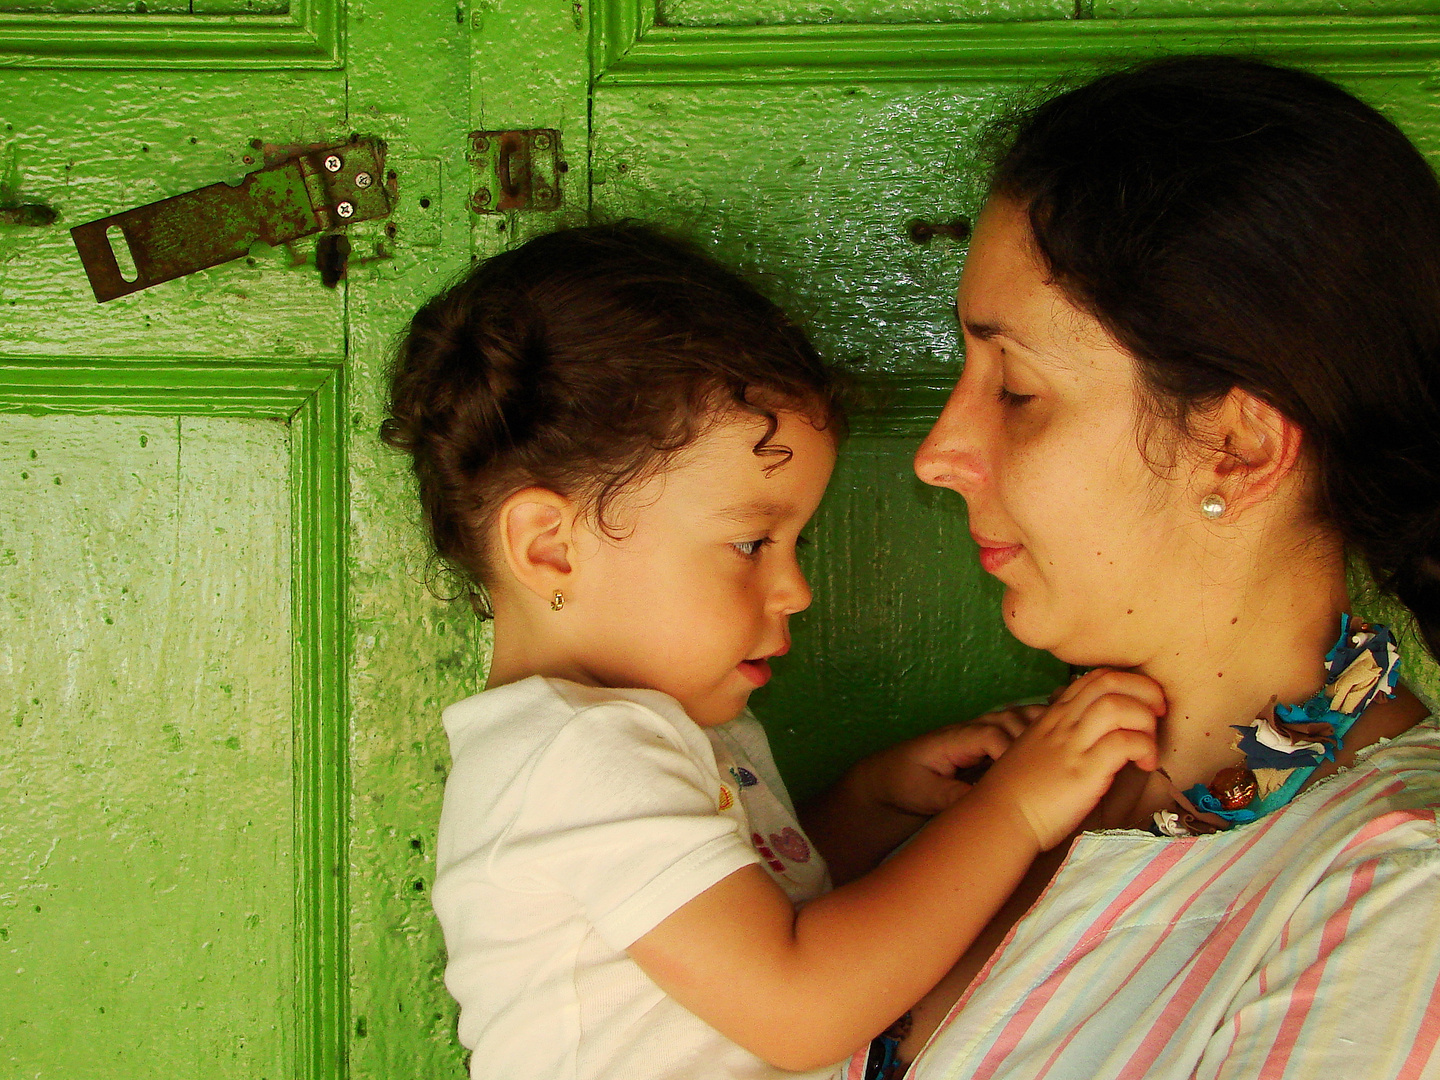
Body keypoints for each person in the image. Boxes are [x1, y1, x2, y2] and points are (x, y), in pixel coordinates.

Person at [380, 224, 1163, 1080]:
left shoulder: (621, 738)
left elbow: (731, 912)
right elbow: (799, 1005)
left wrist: (872, 804)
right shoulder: (579, 756)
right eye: (754, 544)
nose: (795, 591)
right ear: (552, 549)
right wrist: (1013, 809)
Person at [893, 55, 1440, 1079]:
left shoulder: (1402, 889)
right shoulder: (1008, 785)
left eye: (1013, 389)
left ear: (1237, 444)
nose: (937, 454)